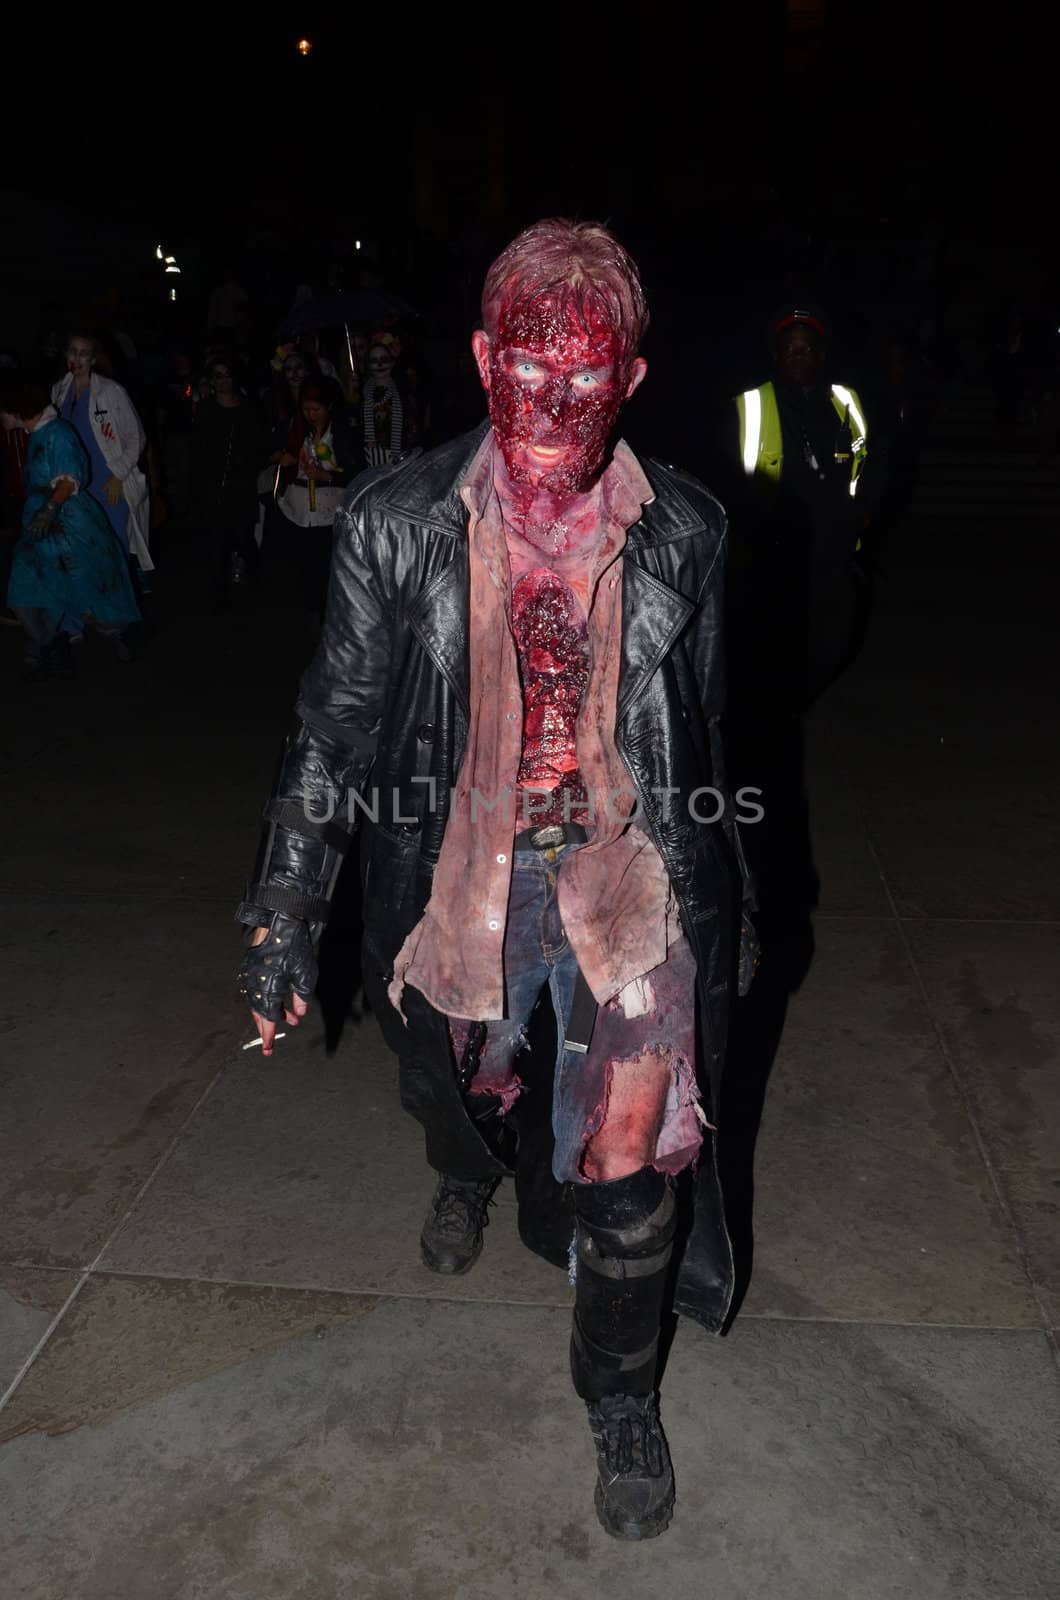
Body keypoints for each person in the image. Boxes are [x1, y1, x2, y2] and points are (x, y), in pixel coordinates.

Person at [235, 220, 752, 1540]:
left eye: (586, 381)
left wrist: (718, 895)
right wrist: (286, 911)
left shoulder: (687, 532)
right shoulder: (395, 524)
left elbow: (701, 732)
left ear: (630, 379)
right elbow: (337, 723)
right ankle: (464, 1167)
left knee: (627, 1160)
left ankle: (618, 1394)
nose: (550, 407)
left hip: (622, 880)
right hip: (456, 869)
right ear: (479, 358)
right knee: (464, 1089)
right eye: (525, 369)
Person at [724, 305, 872, 715]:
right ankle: (778, 708)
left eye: (807, 350)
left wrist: (862, 510)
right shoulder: (749, 406)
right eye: (790, 350)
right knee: (776, 639)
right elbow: (728, 477)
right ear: (776, 356)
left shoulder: (845, 400)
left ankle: (792, 699)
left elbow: (870, 462)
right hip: (775, 549)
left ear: (821, 356)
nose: (799, 358)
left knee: (836, 636)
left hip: (833, 545)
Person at [1, 370, 139, 678]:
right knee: (31, 592)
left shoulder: (57, 433)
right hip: (45, 525)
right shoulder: (37, 432)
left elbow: (66, 480)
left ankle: (65, 646)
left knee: (83, 590)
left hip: (67, 525)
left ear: (14, 408)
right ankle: (50, 647)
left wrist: (47, 512)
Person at [52, 331, 154, 583]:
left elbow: (137, 437)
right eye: (72, 351)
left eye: (83, 353)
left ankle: (117, 618)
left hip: (109, 487)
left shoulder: (111, 391)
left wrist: (119, 473)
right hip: (74, 487)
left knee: (112, 554)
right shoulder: (58, 391)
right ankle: (77, 620)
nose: (77, 358)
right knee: (77, 553)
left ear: (93, 359)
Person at [274, 375, 358, 617]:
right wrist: (284, 460)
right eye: (306, 409)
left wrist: (327, 476)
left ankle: (329, 613)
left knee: (327, 566)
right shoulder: (297, 430)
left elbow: (355, 471)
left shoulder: (342, 434)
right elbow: (278, 454)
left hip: (330, 510)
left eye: (316, 409)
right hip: (298, 509)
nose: (311, 414)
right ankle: (309, 612)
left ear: (328, 407)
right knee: (304, 565)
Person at [191, 357, 267, 612]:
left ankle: (256, 583)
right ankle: (219, 596)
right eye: (217, 375)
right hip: (214, 486)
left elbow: (258, 446)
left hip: (242, 485)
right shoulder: (205, 409)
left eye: (226, 374)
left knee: (244, 539)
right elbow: (198, 451)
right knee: (218, 542)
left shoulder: (248, 409)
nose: (222, 380)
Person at [361, 332, 418, 465]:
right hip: (369, 460)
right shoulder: (361, 393)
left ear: (392, 362)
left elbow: (412, 427)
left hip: (399, 458)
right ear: (368, 365)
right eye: (374, 361)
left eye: (384, 359)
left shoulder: (402, 390)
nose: (380, 365)